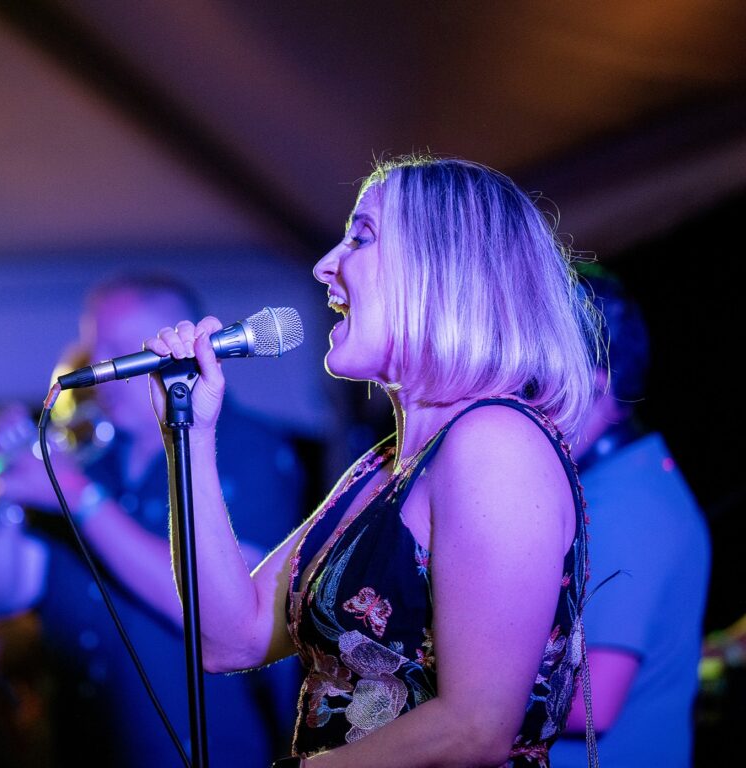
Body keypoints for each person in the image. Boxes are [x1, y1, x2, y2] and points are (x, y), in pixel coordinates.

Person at [143, 155, 600, 766]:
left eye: (362, 236)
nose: (324, 264)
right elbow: (230, 637)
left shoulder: (495, 443)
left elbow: (476, 726)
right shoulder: (380, 469)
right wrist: (190, 437)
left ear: (443, 270)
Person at [0, 276, 306, 767]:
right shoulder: (87, 458)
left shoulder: (251, 449)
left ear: (177, 352)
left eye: (119, 350)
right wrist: (10, 501)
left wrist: (81, 499)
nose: (99, 367)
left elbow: (220, 610)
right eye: (94, 348)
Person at [551, 269, 710, 767]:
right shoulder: (627, 481)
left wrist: (438, 686)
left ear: (594, 385)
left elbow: (589, 706)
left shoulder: (627, 506)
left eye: (537, 380)